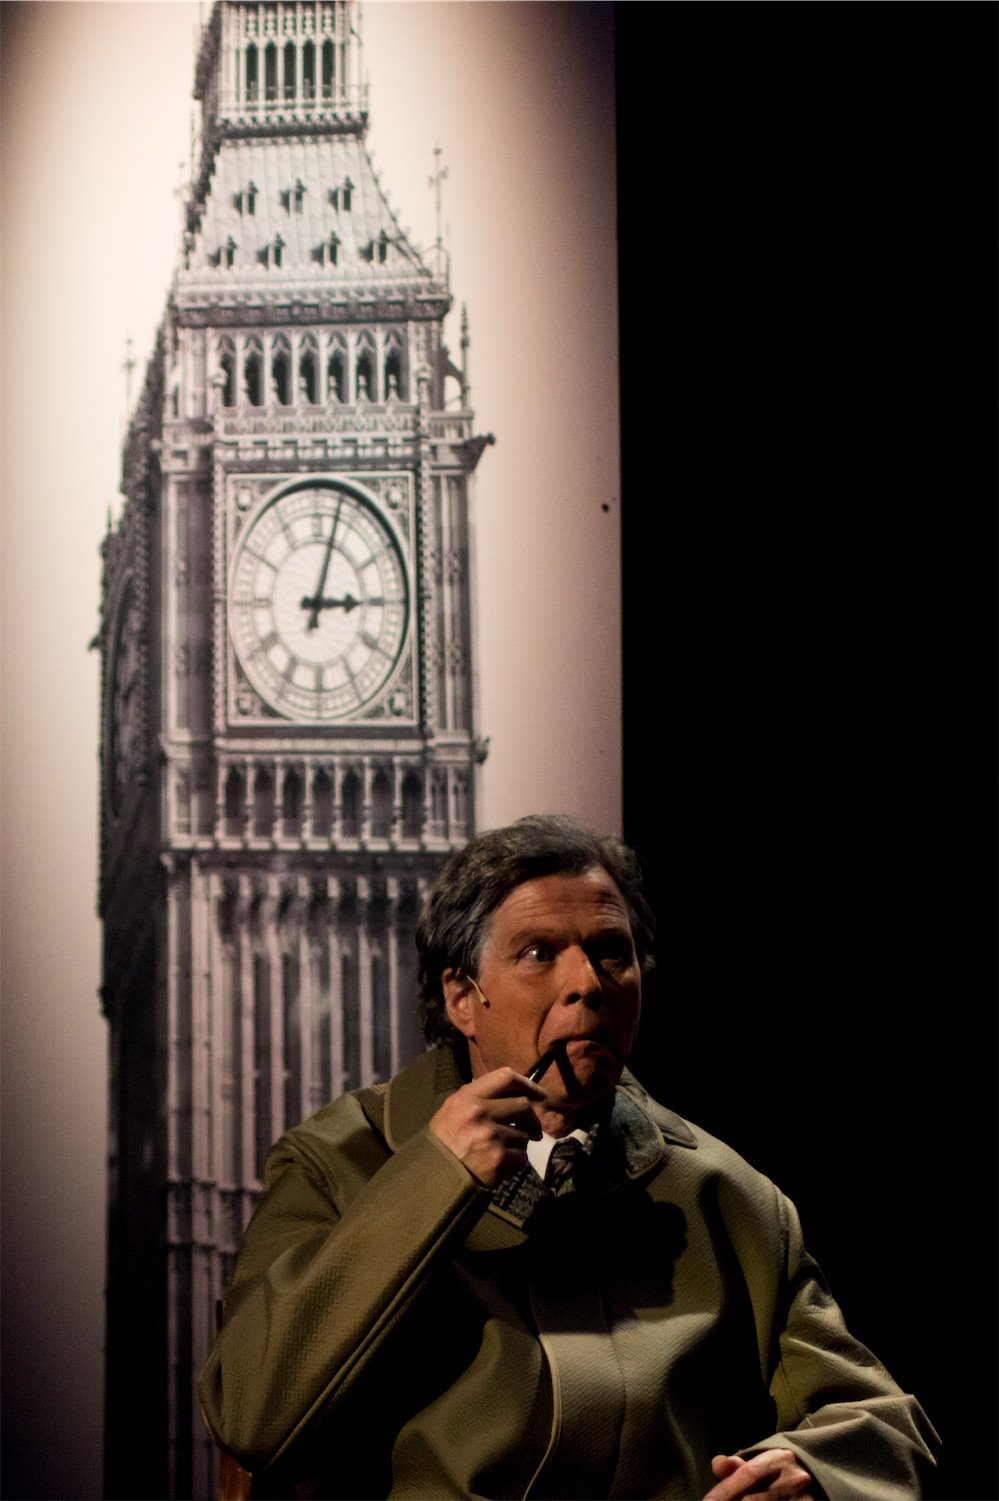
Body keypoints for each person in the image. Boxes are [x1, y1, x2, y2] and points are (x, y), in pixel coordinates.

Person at [199, 815, 939, 1500]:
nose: (586, 982)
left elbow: (884, 1422)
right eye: (537, 953)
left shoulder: (723, 1191)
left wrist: (809, 1466)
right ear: (463, 996)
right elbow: (250, 1411)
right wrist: (431, 1178)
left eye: (610, 952)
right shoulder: (340, 1159)